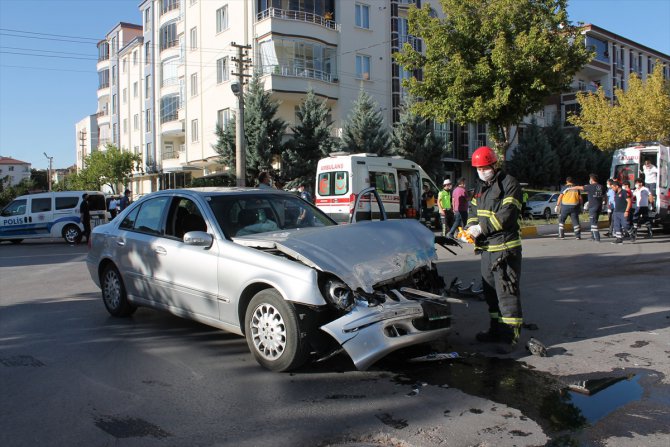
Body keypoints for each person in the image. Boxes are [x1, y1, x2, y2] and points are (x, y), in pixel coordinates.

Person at [465, 146, 523, 346]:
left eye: (484, 167)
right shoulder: (480, 188)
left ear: (494, 165)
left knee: (506, 294)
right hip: (487, 250)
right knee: (490, 294)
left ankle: (510, 337)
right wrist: (470, 227)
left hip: (505, 248)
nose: (481, 171)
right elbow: (473, 210)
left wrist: (482, 228)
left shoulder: (509, 183)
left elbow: (507, 214)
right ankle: (496, 330)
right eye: (478, 168)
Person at [569, 174, 605, 242]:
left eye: (590, 179)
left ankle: (597, 237)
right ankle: (593, 236)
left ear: (592, 179)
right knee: (595, 221)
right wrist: (604, 202)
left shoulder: (590, 187)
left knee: (593, 223)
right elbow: (604, 195)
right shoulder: (601, 187)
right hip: (599, 206)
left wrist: (570, 188)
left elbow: (579, 187)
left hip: (593, 207)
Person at [610, 180, 632, 244]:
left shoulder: (624, 192)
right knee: (616, 225)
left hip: (623, 212)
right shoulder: (616, 193)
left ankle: (632, 233)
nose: (612, 189)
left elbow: (629, 201)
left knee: (625, 225)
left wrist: (627, 211)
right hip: (616, 211)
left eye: (613, 187)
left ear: (617, 186)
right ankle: (619, 239)